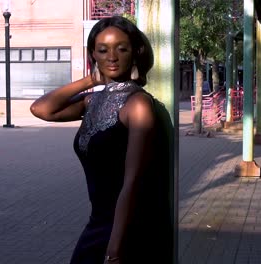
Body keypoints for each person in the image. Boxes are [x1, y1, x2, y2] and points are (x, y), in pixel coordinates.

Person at [30, 16, 173, 264]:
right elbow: (42, 109)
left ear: (136, 52)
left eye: (121, 48)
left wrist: (114, 249)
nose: (112, 57)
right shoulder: (93, 101)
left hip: (130, 227)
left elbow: (134, 180)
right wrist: (91, 80)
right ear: (93, 54)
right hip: (100, 222)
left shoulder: (138, 105)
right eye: (103, 50)